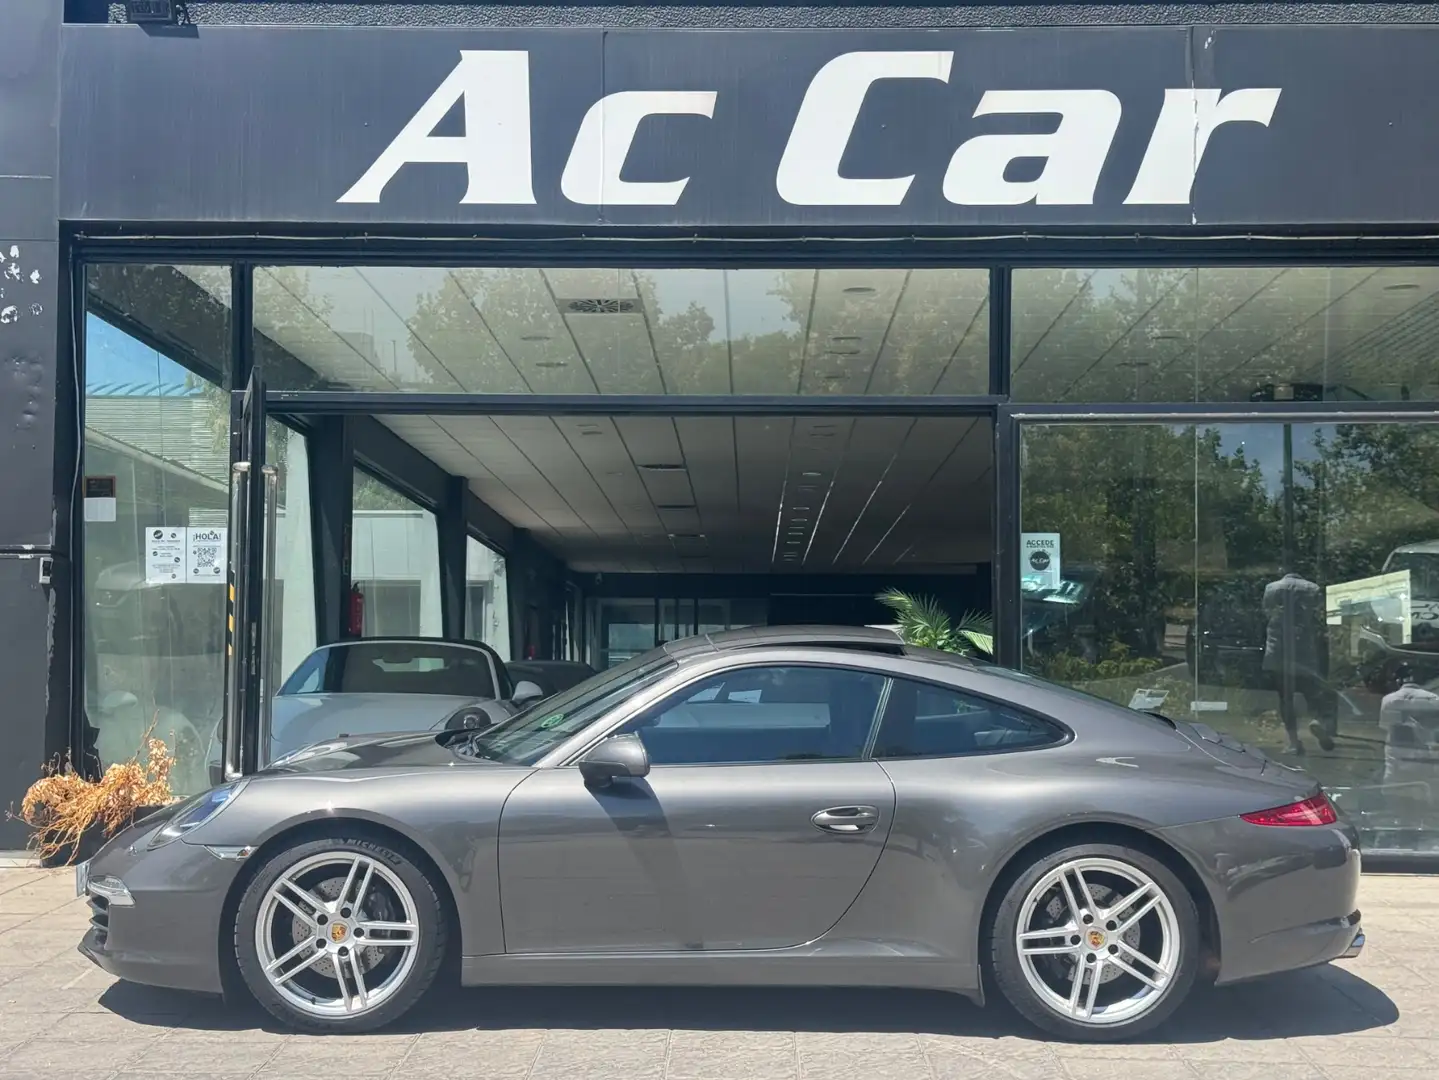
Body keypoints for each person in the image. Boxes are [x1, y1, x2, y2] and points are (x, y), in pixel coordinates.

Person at [1262, 571, 1338, 754]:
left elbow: (1266, 612)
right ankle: (1317, 720)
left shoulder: (1271, 588)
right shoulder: (1313, 588)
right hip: (1303, 650)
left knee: (1285, 698)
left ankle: (1294, 742)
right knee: (1313, 691)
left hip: (1278, 650)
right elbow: (1320, 617)